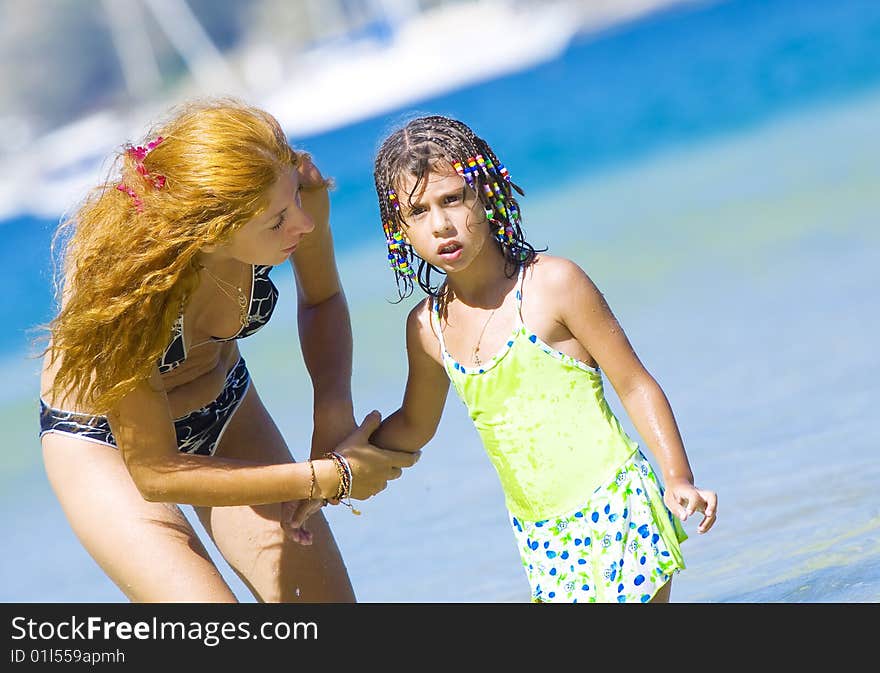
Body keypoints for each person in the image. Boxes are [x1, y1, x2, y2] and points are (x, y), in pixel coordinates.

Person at [37, 97, 418, 603]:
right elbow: (156, 472)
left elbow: (322, 298)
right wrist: (324, 476)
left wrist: (332, 412)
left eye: (294, 204)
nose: (301, 226)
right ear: (209, 234)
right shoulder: (126, 293)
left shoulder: (289, 187)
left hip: (225, 407)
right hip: (107, 444)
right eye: (277, 221)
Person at [364, 115, 717, 603]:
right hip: (541, 536)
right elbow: (415, 426)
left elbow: (634, 384)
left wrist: (678, 476)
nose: (441, 224)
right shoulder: (428, 328)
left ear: (486, 194)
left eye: (452, 199)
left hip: (616, 503)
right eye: (418, 211)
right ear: (398, 228)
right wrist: (344, 459)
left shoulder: (552, 286)